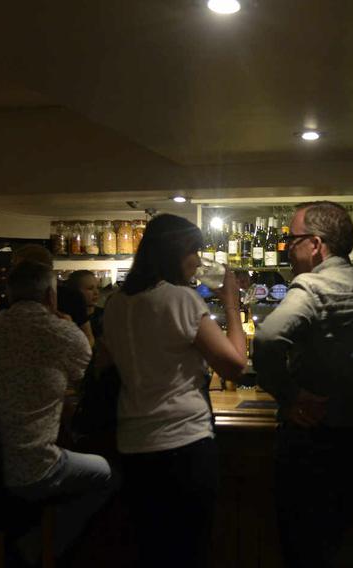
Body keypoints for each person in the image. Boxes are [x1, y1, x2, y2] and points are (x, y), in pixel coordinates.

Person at [253, 201, 353, 568]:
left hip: (309, 437)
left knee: (304, 547)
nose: (287, 248)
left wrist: (290, 396)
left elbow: (268, 339)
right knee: (349, 542)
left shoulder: (312, 286)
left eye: (293, 240)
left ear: (315, 244)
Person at [103, 214, 246, 568]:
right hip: (183, 443)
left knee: (151, 549)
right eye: (194, 250)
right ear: (173, 251)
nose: (198, 259)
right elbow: (234, 365)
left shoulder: (116, 303)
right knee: (189, 550)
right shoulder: (180, 299)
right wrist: (231, 303)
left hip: (133, 444)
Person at [0, 261, 115, 564]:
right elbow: (90, 385)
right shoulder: (62, 332)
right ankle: (34, 549)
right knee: (106, 474)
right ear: (51, 296)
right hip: (29, 468)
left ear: (8, 293)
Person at [68, 269, 104, 339]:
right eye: (90, 288)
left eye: (98, 287)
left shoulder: (104, 315)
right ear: (75, 292)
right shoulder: (67, 318)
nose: (96, 292)